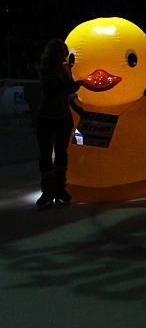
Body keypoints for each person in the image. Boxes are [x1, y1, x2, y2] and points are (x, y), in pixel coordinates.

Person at [35, 39, 82, 209]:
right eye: (63, 52)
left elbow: (65, 94)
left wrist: (76, 107)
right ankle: (48, 190)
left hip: (61, 117)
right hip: (48, 118)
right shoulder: (46, 72)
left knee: (61, 154)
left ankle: (59, 188)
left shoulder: (64, 68)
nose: (65, 55)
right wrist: (74, 87)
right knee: (47, 155)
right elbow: (54, 93)